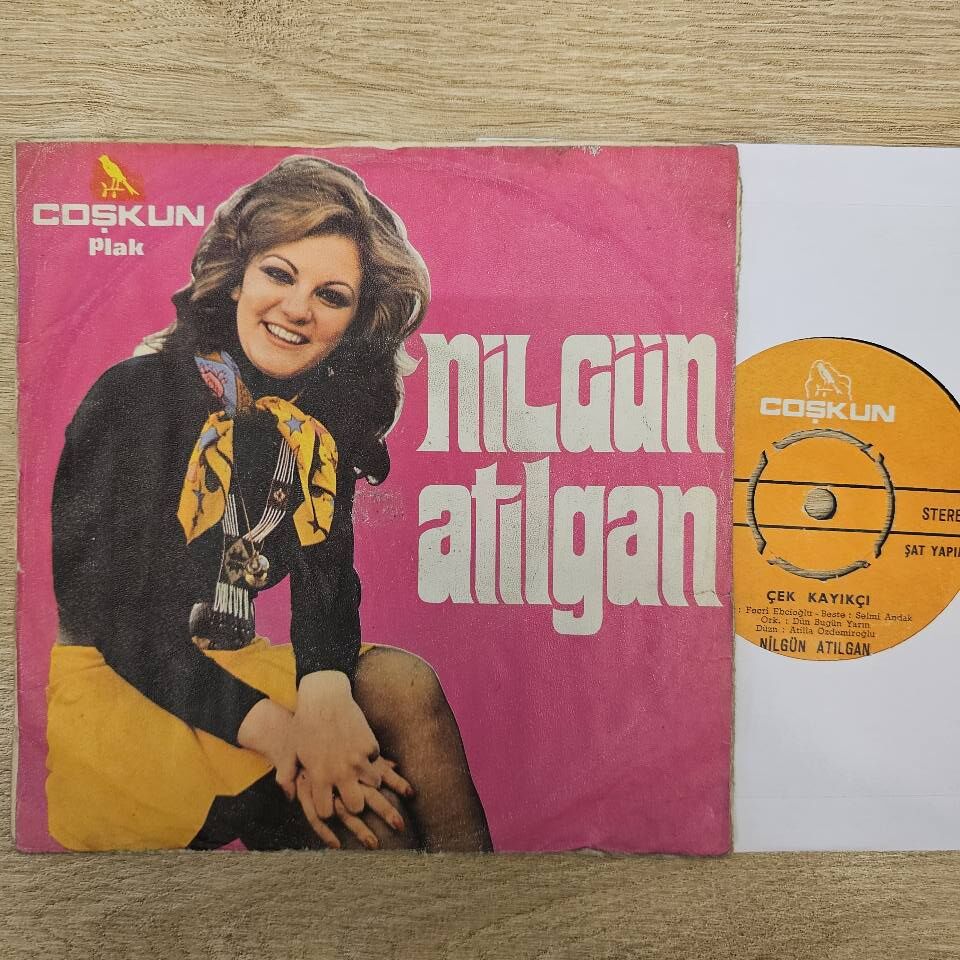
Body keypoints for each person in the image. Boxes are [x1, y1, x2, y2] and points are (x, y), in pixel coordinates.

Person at [46, 155, 492, 852]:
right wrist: (291, 736)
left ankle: (491, 907)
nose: (298, 309)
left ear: (354, 322)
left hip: (234, 665)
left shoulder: (312, 431)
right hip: (124, 687)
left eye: (331, 296)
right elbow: (119, 624)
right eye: (280, 275)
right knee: (369, 821)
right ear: (236, 279)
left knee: (405, 687)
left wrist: (326, 697)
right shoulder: (132, 395)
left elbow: (326, 587)